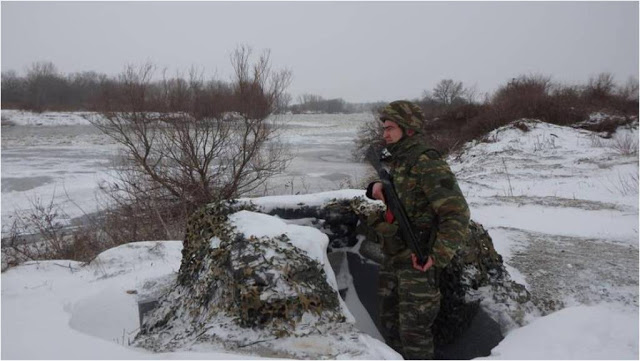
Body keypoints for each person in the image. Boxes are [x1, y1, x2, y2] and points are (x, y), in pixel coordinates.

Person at [365, 100, 470, 359]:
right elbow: (404, 198)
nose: (385, 134)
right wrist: (377, 187)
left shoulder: (426, 162)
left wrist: (437, 255)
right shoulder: (400, 162)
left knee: (414, 335)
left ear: (408, 129)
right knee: (389, 325)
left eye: (390, 128)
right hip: (395, 259)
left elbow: (456, 213)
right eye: (384, 129)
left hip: (418, 264)